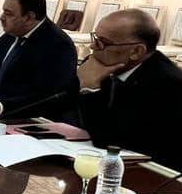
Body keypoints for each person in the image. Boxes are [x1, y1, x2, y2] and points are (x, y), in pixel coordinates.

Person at [76, 9, 182, 169]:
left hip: (152, 173)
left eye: (102, 42)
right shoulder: (105, 66)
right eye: (95, 38)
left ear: (136, 51)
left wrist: (90, 91)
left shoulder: (167, 85)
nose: (93, 46)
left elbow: (112, 141)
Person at [0, 0, 78, 120]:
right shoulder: (11, 34)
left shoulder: (59, 46)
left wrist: (0, 107)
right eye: (3, 11)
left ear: (29, 17)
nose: (1, 17)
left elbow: (46, 98)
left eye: (8, 14)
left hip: (29, 120)